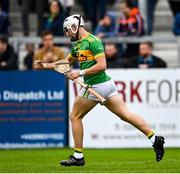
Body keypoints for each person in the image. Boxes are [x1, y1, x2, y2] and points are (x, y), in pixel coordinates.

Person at [34, 14, 165, 166]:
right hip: (107, 85)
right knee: (126, 115)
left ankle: (78, 156)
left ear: (74, 26)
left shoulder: (93, 41)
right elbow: (66, 63)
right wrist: (45, 65)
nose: (67, 33)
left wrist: (80, 73)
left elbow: (102, 65)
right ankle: (154, 138)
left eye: (67, 30)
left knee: (75, 116)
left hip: (97, 85)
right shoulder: (78, 44)